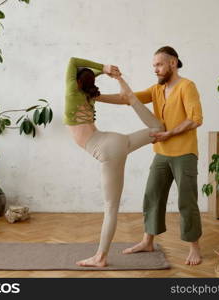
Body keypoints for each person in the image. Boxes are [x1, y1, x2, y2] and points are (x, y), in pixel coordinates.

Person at [98, 46, 203, 265]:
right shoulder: (156, 90)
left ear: (172, 63)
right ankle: (148, 241)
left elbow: (195, 118)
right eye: (153, 65)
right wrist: (96, 97)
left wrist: (170, 133)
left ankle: (194, 247)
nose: (155, 69)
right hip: (161, 154)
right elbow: (128, 98)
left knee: (187, 201)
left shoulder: (187, 86)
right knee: (152, 196)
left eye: (159, 64)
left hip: (185, 153)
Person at [64, 57, 164, 267]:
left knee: (111, 207)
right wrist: (111, 73)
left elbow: (72, 61)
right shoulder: (90, 95)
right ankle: (133, 100)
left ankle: (100, 257)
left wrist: (103, 69)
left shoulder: (74, 93)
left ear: (75, 82)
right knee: (158, 129)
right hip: (119, 141)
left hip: (107, 149)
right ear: (90, 82)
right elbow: (85, 75)